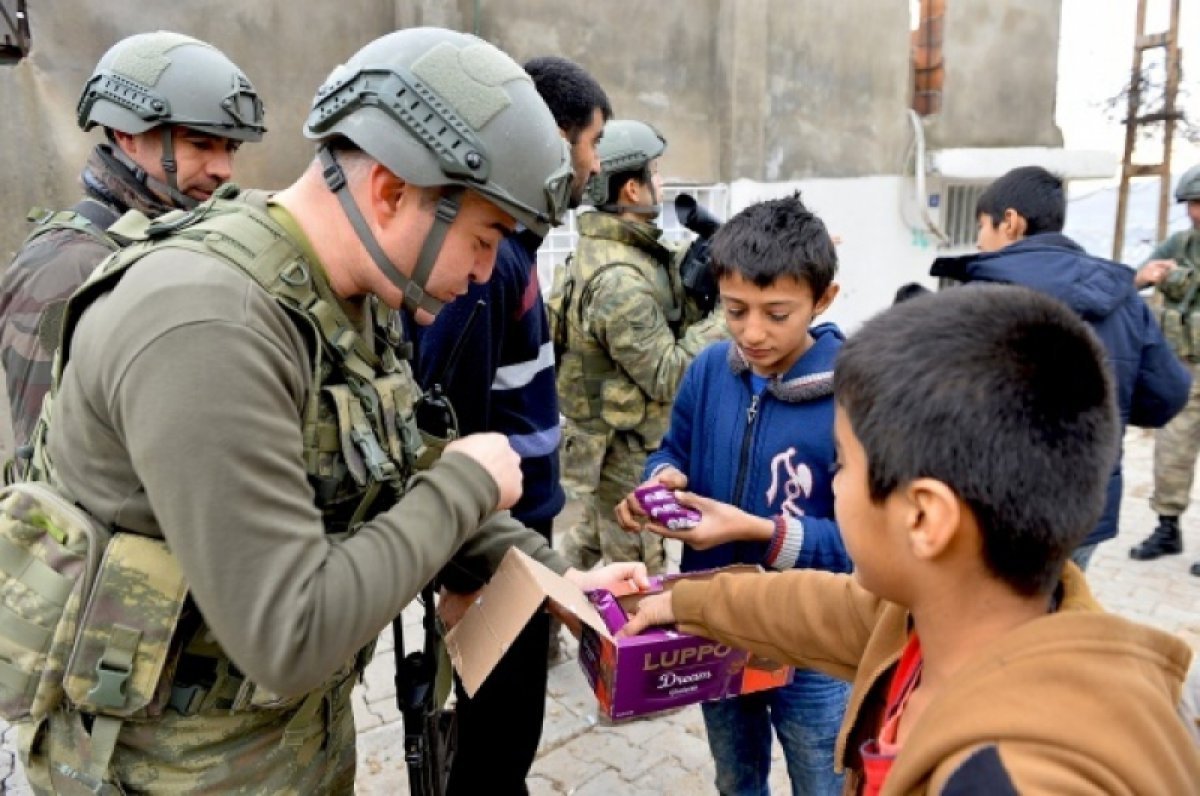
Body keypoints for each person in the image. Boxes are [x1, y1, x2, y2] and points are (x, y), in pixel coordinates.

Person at [19, 28, 643, 794]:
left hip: (288, 750)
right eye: (485, 237)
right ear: (388, 192)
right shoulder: (208, 324)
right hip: (169, 774)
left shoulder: (351, 292)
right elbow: (289, 632)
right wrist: (466, 484)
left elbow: (404, 466)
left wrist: (565, 585)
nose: (486, 272)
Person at [622, 285, 1200, 794]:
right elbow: (811, 606)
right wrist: (678, 602)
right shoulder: (929, 619)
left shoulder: (1010, 777)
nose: (832, 483)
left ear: (925, 519)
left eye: (843, 465)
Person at [403, 54, 611, 794]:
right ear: (551, 139)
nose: (595, 164)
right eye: (591, 143)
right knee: (498, 746)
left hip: (515, 538)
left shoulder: (508, 255)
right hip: (497, 552)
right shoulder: (490, 269)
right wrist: (466, 571)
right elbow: (442, 429)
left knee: (501, 739)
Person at [616, 194, 852, 795]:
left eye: (777, 313)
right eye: (735, 309)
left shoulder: (854, 395)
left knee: (821, 778)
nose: (752, 332)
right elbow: (673, 450)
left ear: (823, 299)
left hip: (815, 641)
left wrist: (757, 530)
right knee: (736, 775)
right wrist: (660, 482)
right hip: (716, 623)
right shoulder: (709, 371)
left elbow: (862, 546)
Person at [0, 31, 265, 452]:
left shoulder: (188, 241)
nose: (223, 169)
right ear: (127, 134)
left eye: (230, 148)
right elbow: (47, 458)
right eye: (200, 144)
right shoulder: (65, 267)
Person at [929, 165, 1191, 570]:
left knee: (1001, 627)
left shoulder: (974, 301)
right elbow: (1167, 396)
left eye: (982, 226)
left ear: (1011, 222)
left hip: (995, 511)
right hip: (1086, 511)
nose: (980, 241)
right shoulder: (1124, 297)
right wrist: (1111, 407)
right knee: (1062, 615)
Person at [554, 118, 726, 576]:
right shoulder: (620, 281)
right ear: (632, 189)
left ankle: (538, 630)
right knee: (637, 566)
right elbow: (669, 372)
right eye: (656, 171)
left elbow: (665, 318)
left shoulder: (622, 250)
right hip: (623, 448)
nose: (662, 181)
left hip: (617, 438)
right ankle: (619, 646)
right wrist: (730, 315)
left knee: (586, 540)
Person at [1129, 163, 1200, 576]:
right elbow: (1138, 278)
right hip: (1186, 369)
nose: (1195, 213)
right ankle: (1167, 527)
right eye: (1191, 204)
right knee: (1172, 452)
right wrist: (1148, 276)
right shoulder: (1180, 244)